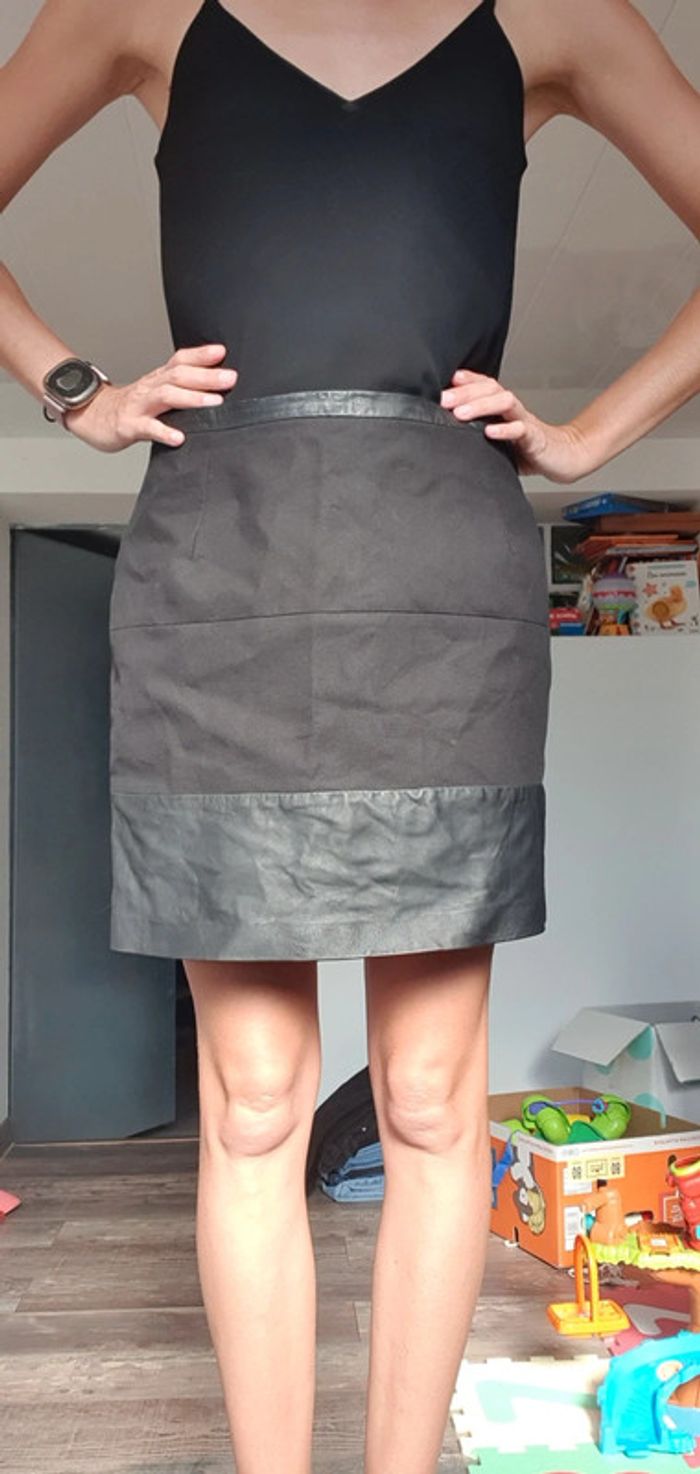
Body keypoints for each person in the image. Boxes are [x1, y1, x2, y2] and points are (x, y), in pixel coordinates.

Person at [1, 2, 699, 1472]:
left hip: (441, 580)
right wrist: (76, 391)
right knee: (255, 1106)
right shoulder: (130, 9)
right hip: (219, 578)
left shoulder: (563, 17)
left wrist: (588, 439)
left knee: (433, 1101)